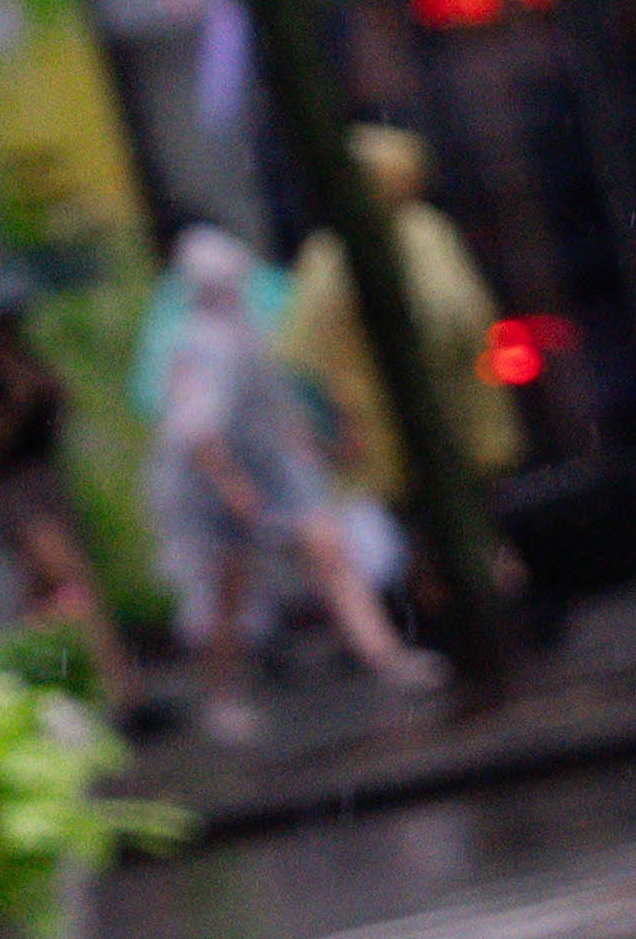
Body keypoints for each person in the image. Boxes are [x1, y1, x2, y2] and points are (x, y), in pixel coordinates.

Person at [139, 223, 432, 737]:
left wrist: (317, 447)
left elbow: (274, 406)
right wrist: (234, 490)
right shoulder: (200, 343)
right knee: (227, 592)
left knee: (328, 554)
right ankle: (222, 697)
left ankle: (387, 658)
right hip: (216, 489)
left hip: (269, 471)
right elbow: (198, 433)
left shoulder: (246, 329)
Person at [284, 123, 523, 513]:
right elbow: (306, 356)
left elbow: (465, 316)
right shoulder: (331, 251)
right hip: (384, 441)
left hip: (456, 425)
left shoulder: (428, 231)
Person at [0, 299, 133, 711]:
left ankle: (35, 689)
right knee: (69, 581)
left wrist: (47, 392)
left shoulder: (30, 365)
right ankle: (119, 686)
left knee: (44, 597)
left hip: (43, 486)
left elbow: (60, 418)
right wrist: (14, 404)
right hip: (9, 497)